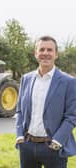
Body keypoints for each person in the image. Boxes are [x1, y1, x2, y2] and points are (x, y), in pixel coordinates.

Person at [15, 36, 76, 168]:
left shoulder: (69, 82)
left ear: (56, 54)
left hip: (53, 148)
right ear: (35, 53)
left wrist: (57, 141)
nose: (45, 53)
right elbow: (19, 110)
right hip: (27, 146)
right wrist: (19, 136)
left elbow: (71, 116)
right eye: (41, 49)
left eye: (50, 50)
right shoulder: (26, 79)